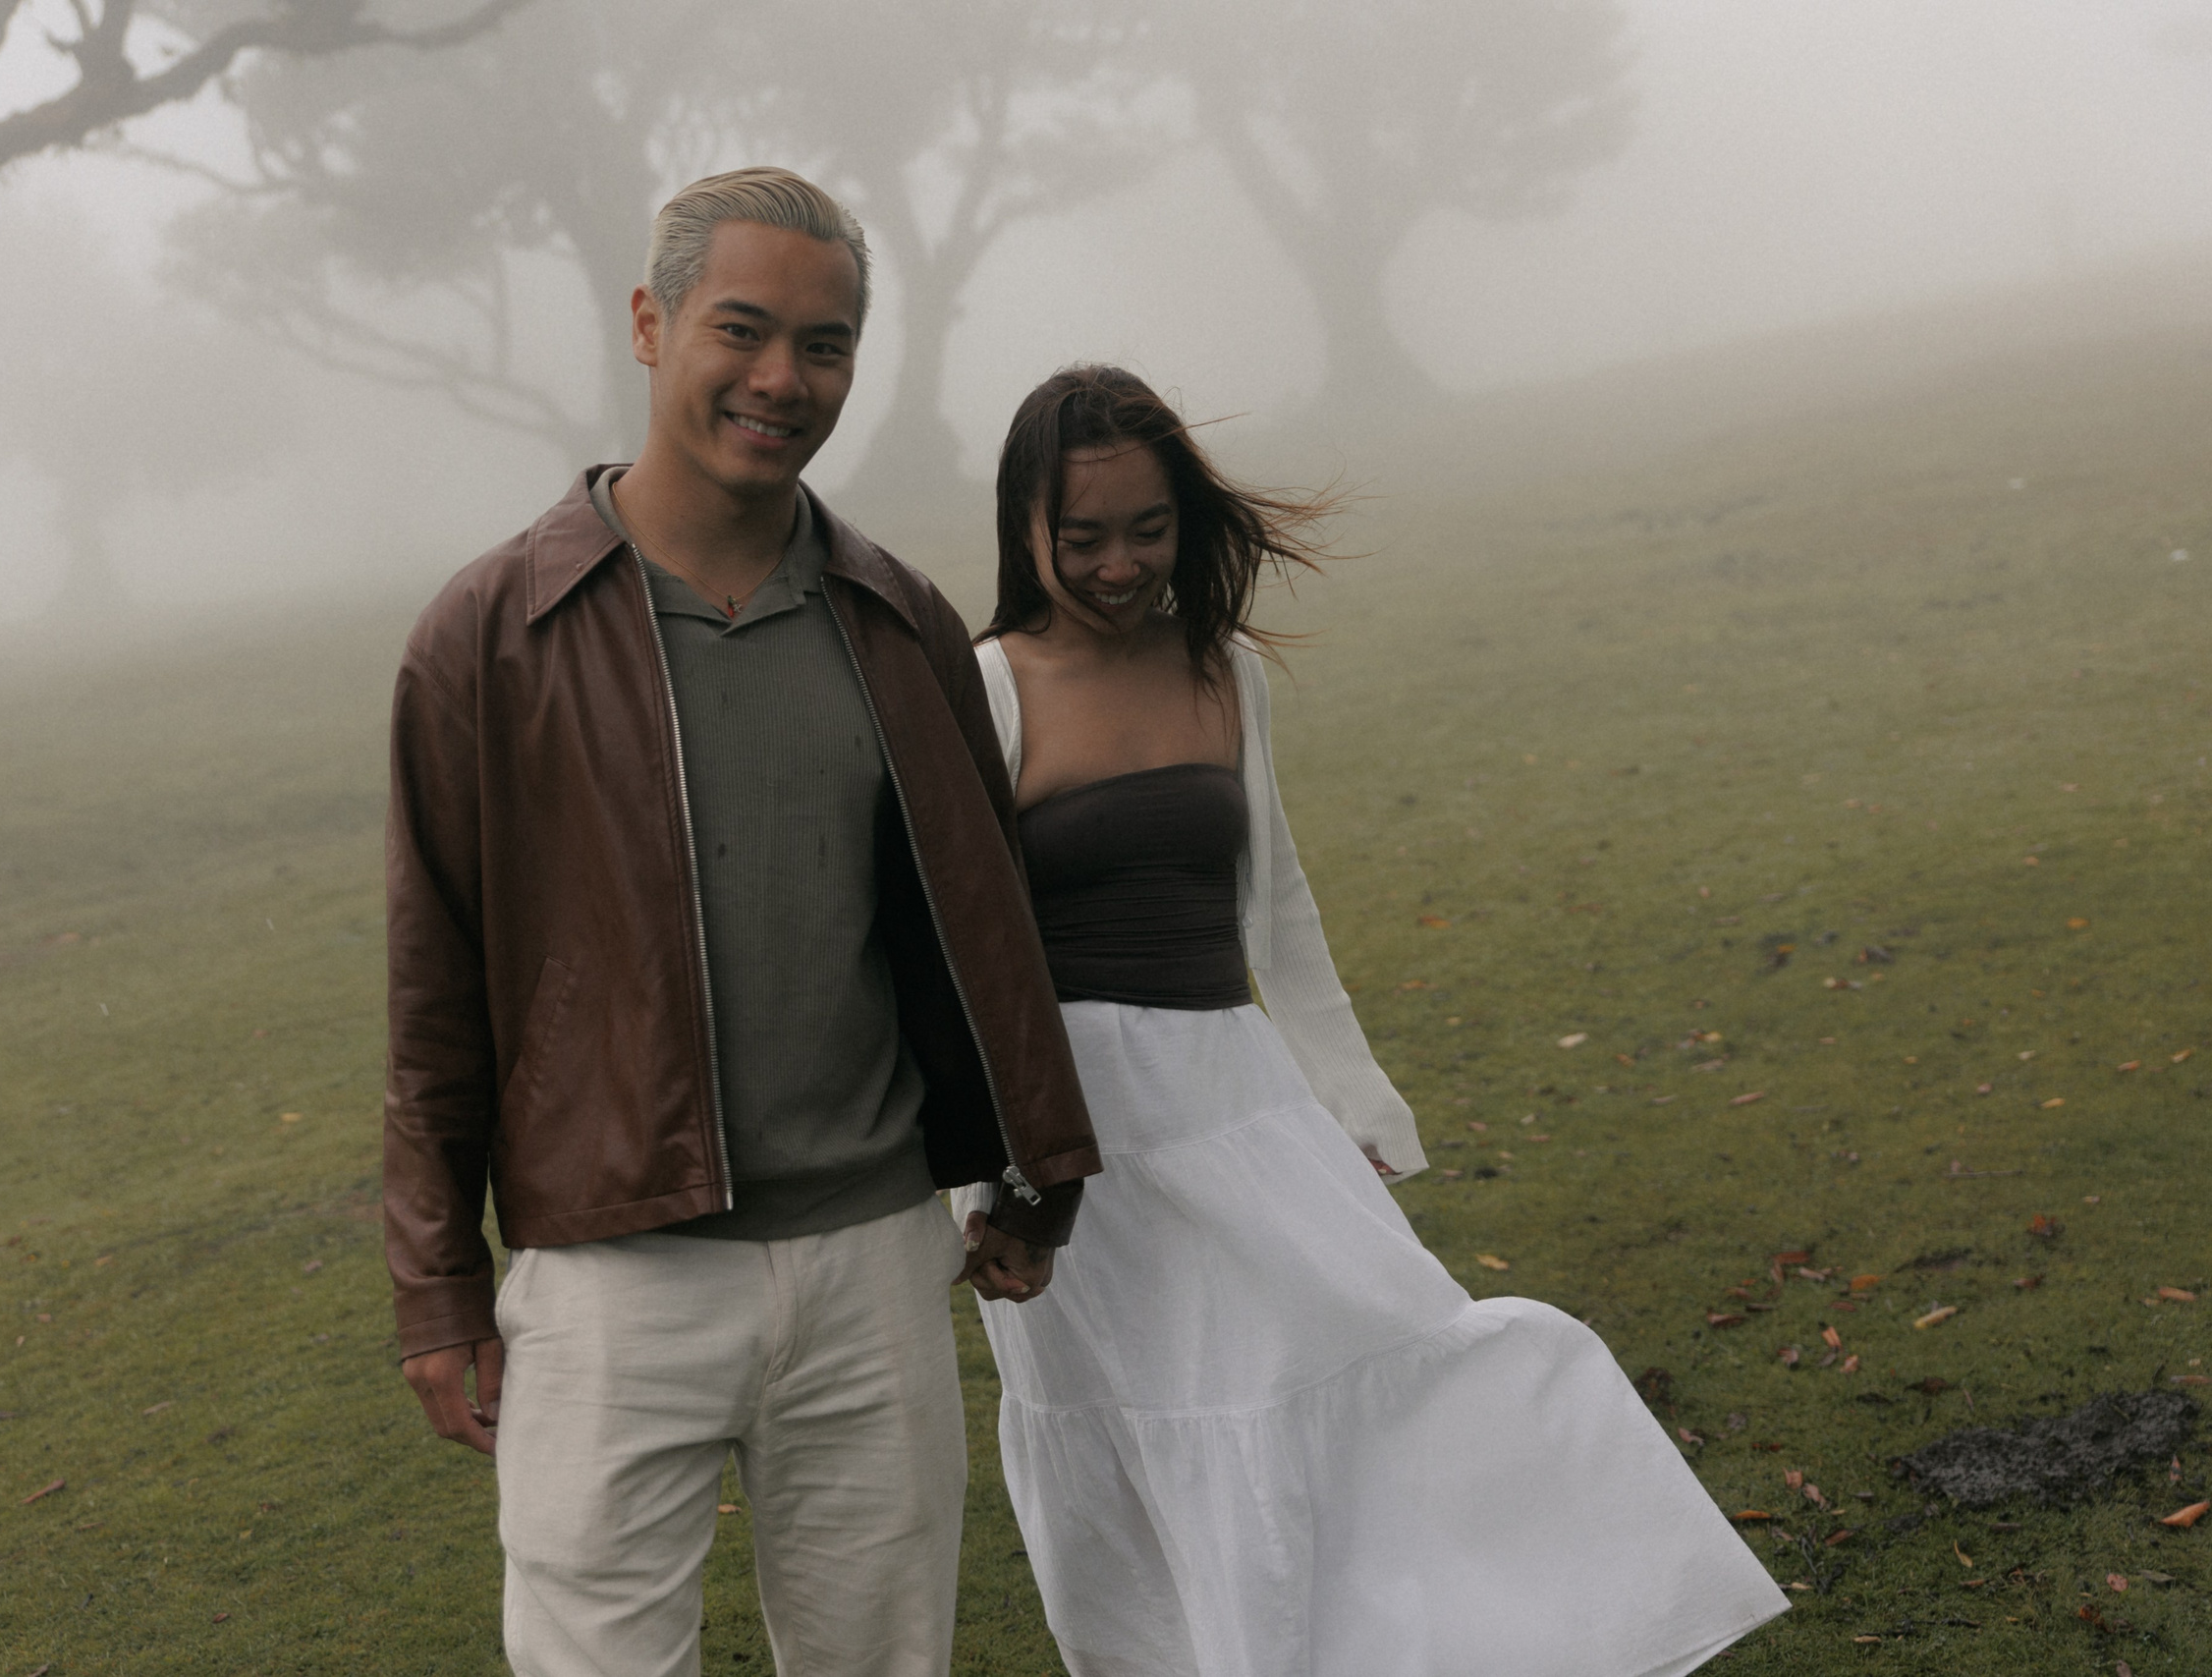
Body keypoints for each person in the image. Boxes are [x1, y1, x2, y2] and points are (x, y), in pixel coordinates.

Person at [959, 364, 1790, 1677]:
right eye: (1083, 535)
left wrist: (1348, 1102)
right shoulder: (987, 689)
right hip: (1080, 1145)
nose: (1120, 564)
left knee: (1390, 1353)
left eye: (1149, 528)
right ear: (1024, 528)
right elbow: (963, 957)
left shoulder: (1222, 668)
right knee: (1157, 1430)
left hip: (1238, 1097)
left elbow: (1275, 905)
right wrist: (1000, 1176)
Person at [382, 168, 1098, 1677]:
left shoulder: (898, 619)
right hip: (610, 1284)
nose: (784, 380)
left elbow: (987, 930)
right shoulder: (488, 634)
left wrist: (1038, 1162)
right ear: (650, 325)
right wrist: (441, 1288)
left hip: (876, 1274)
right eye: (744, 329)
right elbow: (434, 987)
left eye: (825, 346)